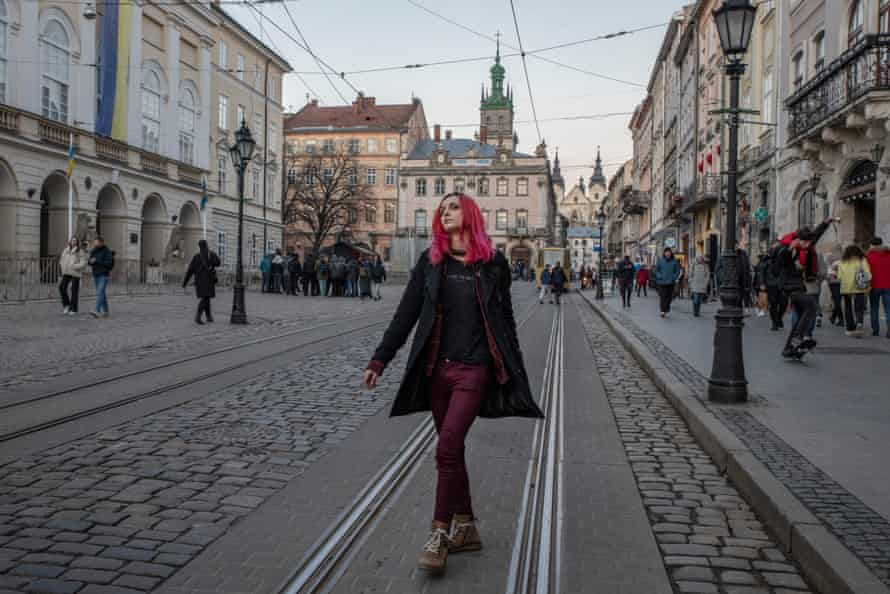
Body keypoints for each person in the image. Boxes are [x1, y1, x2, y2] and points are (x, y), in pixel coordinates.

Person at [362, 192, 543, 575]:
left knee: (446, 447)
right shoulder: (430, 263)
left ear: (470, 214)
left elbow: (505, 319)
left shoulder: (493, 264)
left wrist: (513, 368)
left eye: (453, 207)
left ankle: (439, 534)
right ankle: (468, 527)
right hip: (437, 372)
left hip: (474, 371)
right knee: (452, 451)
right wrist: (380, 358)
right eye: (442, 209)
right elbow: (406, 315)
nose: (445, 212)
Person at [182, 239, 221, 324]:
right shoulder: (211, 254)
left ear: (199, 247)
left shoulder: (196, 257)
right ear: (206, 245)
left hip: (199, 282)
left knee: (206, 298)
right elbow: (218, 263)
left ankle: (208, 316)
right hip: (209, 281)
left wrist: (185, 282)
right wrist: (212, 257)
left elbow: (190, 271)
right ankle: (198, 316)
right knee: (205, 298)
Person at [838, 244, 871, 337]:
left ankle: (850, 328)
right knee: (859, 306)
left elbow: (839, 276)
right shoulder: (862, 260)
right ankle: (859, 322)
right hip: (859, 287)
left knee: (848, 307)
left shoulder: (842, 261)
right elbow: (868, 274)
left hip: (846, 288)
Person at [866, 237, 890, 337]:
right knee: (888, 309)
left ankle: (875, 330)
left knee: (874, 308)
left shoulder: (868, 256)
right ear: (881, 244)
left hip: (874, 285)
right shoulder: (888, 254)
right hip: (888, 285)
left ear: (872, 245)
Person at [762, 240, 787, 331]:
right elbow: (763, 270)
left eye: (778, 246)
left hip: (782, 283)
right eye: (775, 245)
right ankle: (774, 322)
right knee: (773, 304)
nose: (777, 247)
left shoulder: (784, 256)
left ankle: (779, 317)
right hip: (771, 283)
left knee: (784, 303)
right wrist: (762, 283)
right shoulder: (768, 257)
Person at [59, 238, 87, 315]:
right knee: (62, 287)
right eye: (72, 240)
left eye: (75, 240)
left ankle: (74, 308)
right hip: (66, 272)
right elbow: (62, 259)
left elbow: (83, 262)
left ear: (77, 242)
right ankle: (67, 305)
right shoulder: (66, 250)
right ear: (70, 241)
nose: (73, 242)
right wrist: (62, 266)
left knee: (74, 290)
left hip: (75, 272)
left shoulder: (80, 251)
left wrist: (74, 266)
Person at [88, 237, 114, 318]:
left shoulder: (107, 251)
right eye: (94, 242)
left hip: (104, 275)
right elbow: (90, 261)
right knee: (102, 293)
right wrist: (90, 261)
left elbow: (109, 263)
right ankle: (106, 311)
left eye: (96, 242)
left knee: (100, 292)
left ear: (101, 242)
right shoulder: (94, 250)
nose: (95, 244)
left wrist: (97, 261)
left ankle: (97, 310)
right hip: (96, 274)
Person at [654, 247, 682, 317]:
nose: (667, 254)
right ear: (664, 253)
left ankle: (666, 309)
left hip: (670, 282)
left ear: (671, 253)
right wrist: (659, 276)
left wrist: (673, 278)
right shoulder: (660, 261)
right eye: (666, 252)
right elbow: (656, 270)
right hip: (662, 282)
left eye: (669, 252)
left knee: (669, 297)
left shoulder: (674, 261)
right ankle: (662, 311)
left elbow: (677, 271)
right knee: (662, 297)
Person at [827, 256, 843, 327]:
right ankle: (835, 318)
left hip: (835, 283)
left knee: (837, 301)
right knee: (837, 301)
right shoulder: (837, 260)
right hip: (835, 283)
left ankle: (839, 319)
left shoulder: (838, 261)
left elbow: (829, 274)